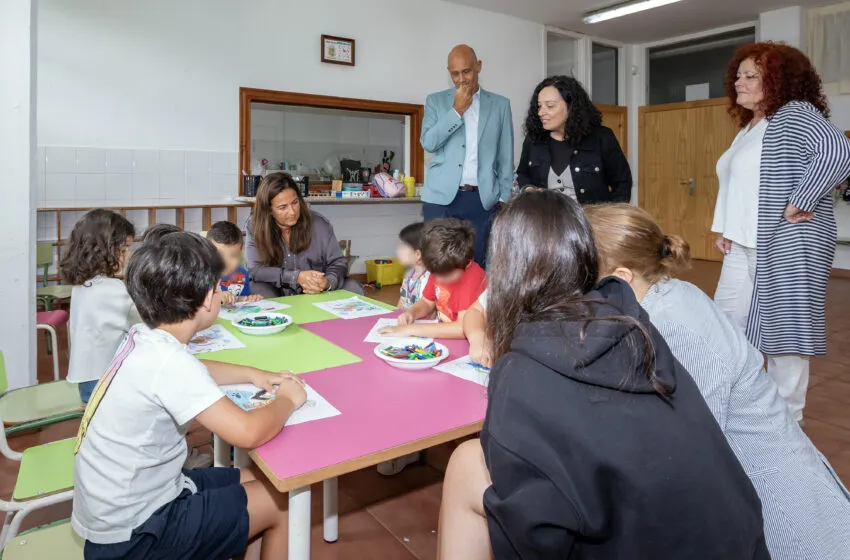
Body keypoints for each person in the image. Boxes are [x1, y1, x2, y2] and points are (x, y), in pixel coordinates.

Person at [437, 191, 769, 560]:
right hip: (740, 542)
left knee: (466, 466)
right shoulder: (636, 325)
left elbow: (537, 537)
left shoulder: (520, 373)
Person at [587, 203, 850, 560]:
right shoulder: (668, 294)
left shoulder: (671, 323)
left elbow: (693, 442)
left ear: (621, 275)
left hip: (779, 501)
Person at [72, 232, 308, 559]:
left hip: (122, 509)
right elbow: (248, 432)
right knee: (282, 503)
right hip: (137, 534)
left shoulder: (145, 338)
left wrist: (252, 373)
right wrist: (288, 399)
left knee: (264, 478)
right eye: (217, 287)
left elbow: (194, 367)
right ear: (208, 300)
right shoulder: (169, 363)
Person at [711, 42, 850, 423]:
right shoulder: (750, 128)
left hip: (788, 244)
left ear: (779, 80)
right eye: (738, 75)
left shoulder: (793, 114)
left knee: (785, 338)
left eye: (751, 75)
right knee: (725, 328)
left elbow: (836, 150)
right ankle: (743, 412)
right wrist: (725, 227)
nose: (739, 82)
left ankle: (788, 425)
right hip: (743, 245)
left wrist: (802, 199)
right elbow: (737, 183)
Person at [420, 44, 514, 267]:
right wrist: (456, 111)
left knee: (477, 266)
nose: (461, 79)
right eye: (455, 73)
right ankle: (437, 304)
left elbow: (506, 156)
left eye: (467, 71)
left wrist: (503, 199)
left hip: (482, 200)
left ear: (478, 67)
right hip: (441, 200)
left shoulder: (500, 105)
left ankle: (471, 304)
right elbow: (429, 142)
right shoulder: (436, 101)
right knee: (439, 265)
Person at [60, 209, 139, 403]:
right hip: (104, 382)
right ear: (103, 251)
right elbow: (147, 321)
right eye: (123, 249)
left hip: (89, 379)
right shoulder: (111, 289)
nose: (127, 255)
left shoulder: (86, 283)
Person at [516, 75, 631, 203]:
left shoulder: (602, 138)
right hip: (545, 221)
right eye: (539, 106)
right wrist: (528, 189)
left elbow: (622, 184)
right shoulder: (533, 140)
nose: (540, 113)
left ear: (571, 107)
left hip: (592, 221)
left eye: (550, 106)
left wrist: (610, 218)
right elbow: (522, 174)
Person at [245, 172, 362, 297]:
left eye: (295, 203)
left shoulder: (319, 224)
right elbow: (255, 270)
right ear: (268, 210)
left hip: (316, 291)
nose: (292, 211)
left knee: (353, 288)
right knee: (257, 289)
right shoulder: (254, 225)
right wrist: (296, 277)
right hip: (275, 290)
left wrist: (327, 283)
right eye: (283, 207)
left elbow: (338, 262)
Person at [380, 219, 486, 340]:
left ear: (466, 263)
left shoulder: (473, 278)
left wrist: (410, 329)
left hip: (474, 343)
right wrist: (412, 313)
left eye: (446, 275)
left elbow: (463, 329)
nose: (439, 280)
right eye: (434, 274)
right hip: (444, 335)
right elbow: (427, 302)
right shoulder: (439, 267)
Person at [207, 221, 263, 305]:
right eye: (219, 255)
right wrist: (216, 297)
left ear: (240, 253)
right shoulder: (201, 274)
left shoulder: (242, 274)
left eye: (233, 255)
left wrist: (247, 299)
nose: (226, 261)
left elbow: (237, 299)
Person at [395, 222, 430, 310]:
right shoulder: (409, 274)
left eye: (403, 247)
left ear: (418, 254)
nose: (398, 251)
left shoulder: (429, 279)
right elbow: (402, 301)